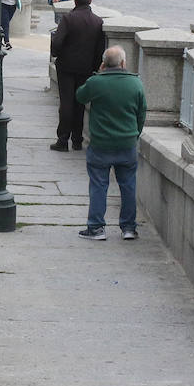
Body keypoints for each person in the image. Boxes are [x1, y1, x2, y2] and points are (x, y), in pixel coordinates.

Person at [75, 45, 147, 240]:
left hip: (100, 144)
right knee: (128, 186)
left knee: (99, 185)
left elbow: (80, 96)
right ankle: (129, 228)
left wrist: (99, 75)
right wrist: (135, 135)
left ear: (103, 64)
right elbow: (142, 114)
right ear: (123, 63)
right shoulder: (136, 84)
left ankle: (96, 228)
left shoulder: (96, 82)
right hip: (127, 144)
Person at [50, 0, 105, 152]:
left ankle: (62, 139)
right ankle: (77, 140)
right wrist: (94, 66)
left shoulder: (68, 19)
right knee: (80, 102)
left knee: (66, 102)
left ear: (75, 1)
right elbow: (99, 49)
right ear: (90, 1)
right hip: (86, 68)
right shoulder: (98, 21)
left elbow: (58, 42)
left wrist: (56, 54)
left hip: (66, 67)